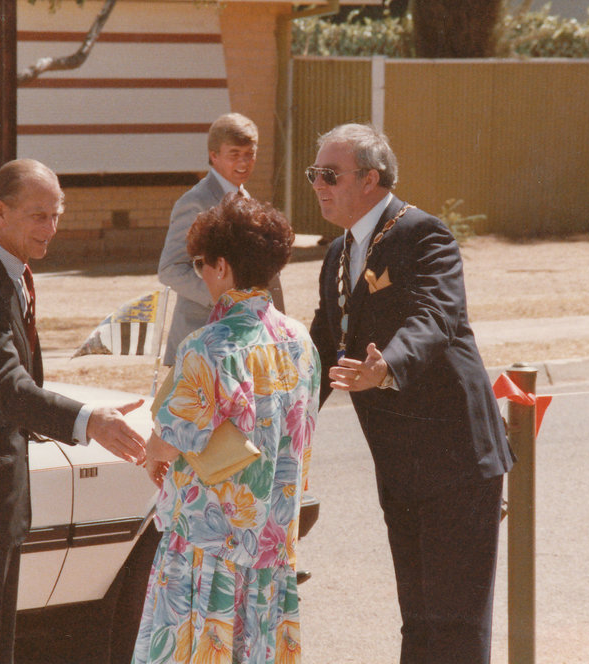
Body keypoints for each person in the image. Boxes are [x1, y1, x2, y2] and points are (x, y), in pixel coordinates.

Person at [0, 158, 147, 664]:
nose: (51, 228)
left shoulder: (4, 271)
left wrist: (85, 413)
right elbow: (5, 387)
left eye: (56, 215)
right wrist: (89, 420)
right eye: (39, 215)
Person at [307, 124, 514, 663]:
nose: (318, 185)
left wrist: (388, 366)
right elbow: (321, 347)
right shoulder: (336, 254)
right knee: (418, 619)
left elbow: (436, 316)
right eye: (314, 175)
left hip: (458, 459)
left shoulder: (424, 233)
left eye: (329, 175)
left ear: (370, 179)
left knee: (456, 624)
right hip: (399, 463)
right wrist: (279, 413)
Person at [136, 195, 320, 663]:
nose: (199, 274)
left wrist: (153, 454)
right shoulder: (299, 339)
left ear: (221, 265)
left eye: (200, 264)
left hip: (208, 545)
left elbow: (169, 441)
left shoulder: (208, 345)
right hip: (271, 543)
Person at [158, 112, 285, 366]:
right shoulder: (195, 202)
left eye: (249, 154)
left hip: (244, 339)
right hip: (200, 338)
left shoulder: (247, 200)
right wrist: (226, 300)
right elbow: (170, 269)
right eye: (234, 154)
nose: (243, 162)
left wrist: (278, 325)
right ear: (214, 156)